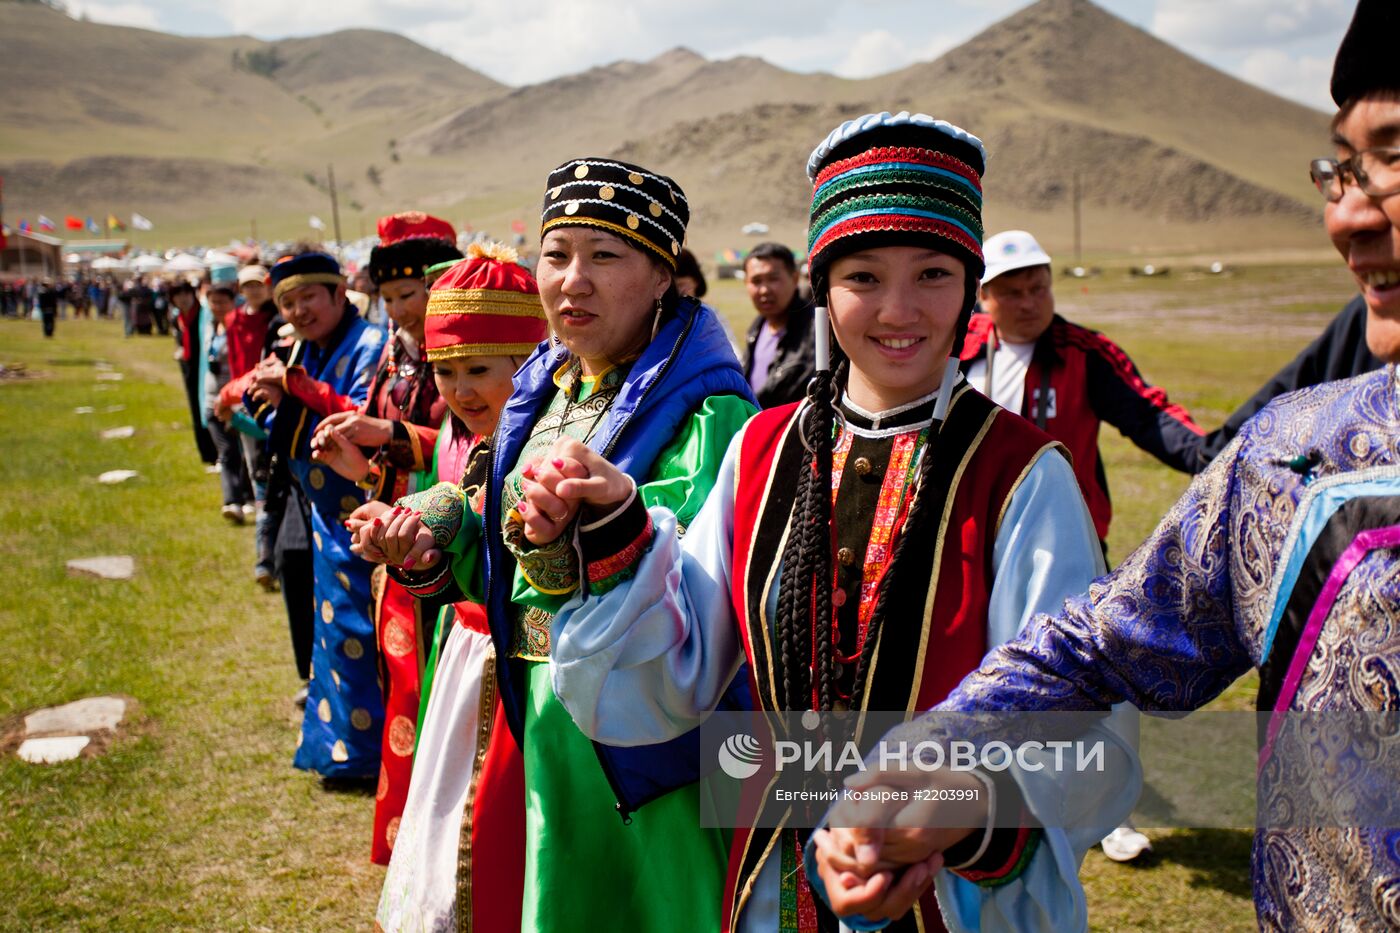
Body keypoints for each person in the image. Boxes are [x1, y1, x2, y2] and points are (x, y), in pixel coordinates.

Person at [812, 5, 1400, 928]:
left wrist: (1208, 459)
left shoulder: (1082, 365)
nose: (1348, 214)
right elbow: (1088, 652)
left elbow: (1154, 420)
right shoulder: (1303, 460)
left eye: (1395, 157)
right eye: (1343, 167)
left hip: (1067, 532)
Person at [541, 113, 1134, 932]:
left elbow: (1077, 722)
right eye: (862, 276)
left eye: (933, 273)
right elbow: (681, 671)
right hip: (773, 888)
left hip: (955, 896)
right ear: (824, 288)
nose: (899, 309)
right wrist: (616, 530)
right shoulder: (760, 452)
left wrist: (956, 810)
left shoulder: (1021, 473)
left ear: (970, 288)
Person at [358, 158, 758, 931]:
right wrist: (429, 536)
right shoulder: (550, 390)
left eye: (604, 256)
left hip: (649, 741)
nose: (573, 280)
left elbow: (692, 583)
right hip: (541, 719)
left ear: (663, 275)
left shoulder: (711, 414)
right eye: (557, 253)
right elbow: (503, 552)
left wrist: (590, 534)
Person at [364, 242, 546, 930]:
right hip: (462, 654)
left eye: (479, 370)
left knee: (504, 828)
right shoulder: (458, 434)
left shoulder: (542, 445)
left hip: (517, 667)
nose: (461, 389)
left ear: (528, 364)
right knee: (451, 825)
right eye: (445, 371)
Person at [309, 211, 462, 864]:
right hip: (402, 537)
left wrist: (390, 440)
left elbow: (474, 454)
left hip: (449, 544)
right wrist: (366, 470)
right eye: (391, 297)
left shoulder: (465, 349)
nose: (400, 309)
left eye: (412, 295)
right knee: (409, 684)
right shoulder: (397, 356)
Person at [961, 229, 1204, 550]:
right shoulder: (960, 346)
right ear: (984, 297)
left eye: (1038, 289)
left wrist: (1210, 455)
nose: (1029, 304)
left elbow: (1148, 415)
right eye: (1012, 293)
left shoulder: (1083, 353)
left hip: (1066, 537)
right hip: (976, 535)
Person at [248, 250, 387, 779]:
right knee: (333, 632)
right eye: (287, 302)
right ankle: (344, 751)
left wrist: (292, 388)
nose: (299, 310)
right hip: (325, 515)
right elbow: (285, 422)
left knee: (365, 632)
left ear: (337, 293)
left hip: (363, 510)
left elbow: (357, 420)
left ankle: (371, 756)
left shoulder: (370, 346)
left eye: (308, 296)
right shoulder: (305, 346)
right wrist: (272, 398)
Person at [1190, 295, 1384, 470]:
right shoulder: (1370, 310)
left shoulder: (1374, 307)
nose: (1355, 257)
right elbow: (1289, 395)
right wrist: (1213, 455)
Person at [741, 241, 818, 407]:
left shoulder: (817, 331)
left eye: (773, 279)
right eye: (756, 281)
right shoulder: (757, 327)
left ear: (795, 278)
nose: (764, 290)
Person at [204, 284, 254, 524]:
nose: (217, 307)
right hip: (212, 400)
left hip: (236, 400)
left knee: (241, 452)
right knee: (227, 452)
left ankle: (244, 497)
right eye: (212, 302)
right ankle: (233, 501)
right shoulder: (209, 327)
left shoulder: (239, 326)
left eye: (221, 301)